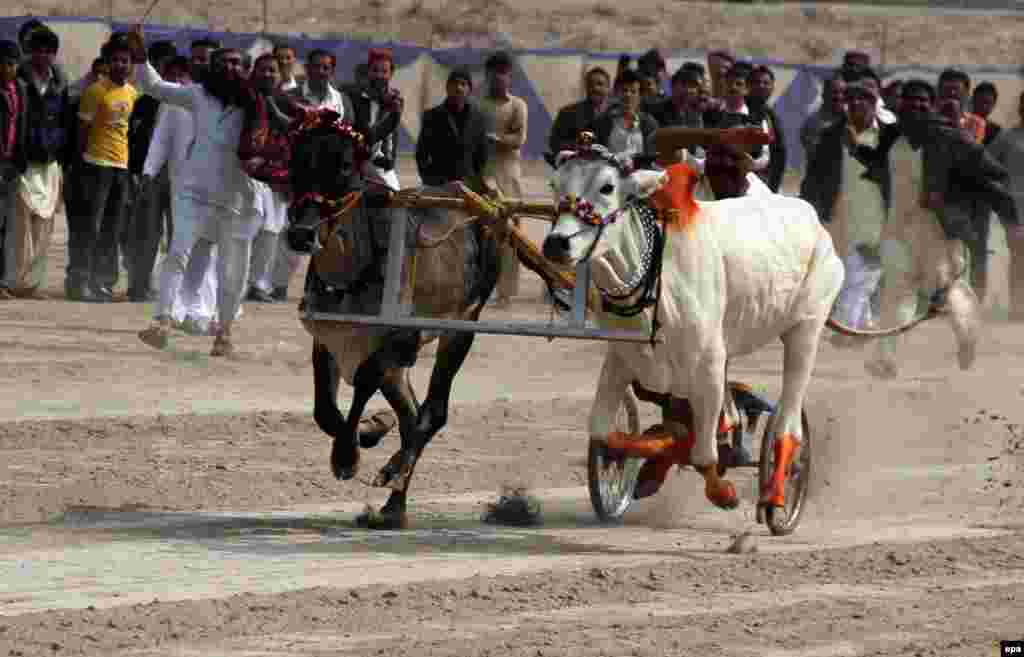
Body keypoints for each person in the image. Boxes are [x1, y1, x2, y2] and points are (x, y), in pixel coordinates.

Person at [856, 79, 1014, 378]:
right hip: (897, 231)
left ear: (931, 106)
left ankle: (968, 335)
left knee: (946, 291)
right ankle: (886, 358)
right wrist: (857, 151)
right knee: (897, 292)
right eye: (910, 100)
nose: (915, 106)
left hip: (938, 232)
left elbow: (991, 175)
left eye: (922, 101)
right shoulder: (891, 137)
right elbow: (877, 166)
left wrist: (954, 199)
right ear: (900, 105)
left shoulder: (950, 138)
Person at [129, 25, 261, 357]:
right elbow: (155, 86)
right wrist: (140, 55)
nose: (230, 68)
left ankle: (225, 332)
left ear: (245, 71)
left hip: (233, 200)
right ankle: (162, 321)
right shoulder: (197, 95)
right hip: (192, 192)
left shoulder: (256, 105)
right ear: (212, 68)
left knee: (229, 270)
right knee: (177, 253)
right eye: (224, 63)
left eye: (236, 64)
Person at [802, 78, 889, 334]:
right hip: (837, 216)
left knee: (862, 271)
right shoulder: (831, 135)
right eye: (852, 98)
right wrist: (811, 210)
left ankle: (848, 327)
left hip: (875, 217)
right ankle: (863, 322)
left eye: (864, 98)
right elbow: (814, 175)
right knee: (847, 273)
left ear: (875, 103)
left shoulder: (888, 136)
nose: (857, 103)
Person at [71, 33, 138, 303]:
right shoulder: (95, 91)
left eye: (126, 61)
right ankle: (81, 282)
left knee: (113, 228)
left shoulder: (133, 92)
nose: (121, 65)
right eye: (116, 61)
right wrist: (79, 167)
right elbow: (82, 131)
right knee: (91, 227)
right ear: (108, 63)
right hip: (96, 166)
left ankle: (104, 282)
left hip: (121, 166)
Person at [12, 26, 68, 299]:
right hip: (23, 162)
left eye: (48, 51)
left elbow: (65, 121)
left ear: (54, 54)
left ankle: (32, 284)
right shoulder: (18, 81)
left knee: (44, 228)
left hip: (49, 163)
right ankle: (13, 282)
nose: (43, 56)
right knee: (20, 226)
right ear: (29, 51)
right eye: (38, 50)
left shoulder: (60, 82)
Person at [479, 50, 527, 308]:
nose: (499, 78)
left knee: (510, 234)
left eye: (504, 73)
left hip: (509, 176)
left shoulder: (518, 105)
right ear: (487, 75)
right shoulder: (478, 104)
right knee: (482, 232)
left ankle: (506, 292)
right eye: (494, 73)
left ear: (510, 77)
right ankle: (481, 287)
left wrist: (496, 140)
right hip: (483, 175)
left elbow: (519, 139)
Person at [415, 68, 488, 188]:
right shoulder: (432, 116)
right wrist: (431, 181)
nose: (458, 88)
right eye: (454, 83)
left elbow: (482, 156)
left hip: (469, 187)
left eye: (463, 84)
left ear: (469, 89)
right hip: (439, 185)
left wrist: (474, 181)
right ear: (447, 87)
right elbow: (421, 154)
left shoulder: (478, 118)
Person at [0, 40, 28, 300]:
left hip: (11, 165)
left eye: (13, 63)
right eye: (6, 63)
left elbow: (22, 125)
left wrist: (20, 160)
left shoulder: (19, 89)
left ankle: (4, 281)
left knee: (9, 226)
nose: (10, 68)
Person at [589, 68, 657, 162]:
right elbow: (596, 154)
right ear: (616, 93)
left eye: (633, 91)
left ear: (640, 96)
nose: (628, 95)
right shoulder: (603, 122)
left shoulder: (649, 123)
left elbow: (653, 155)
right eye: (624, 90)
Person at [547, 66, 612, 155]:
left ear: (608, 88)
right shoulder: (568, 113)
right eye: (590, 84)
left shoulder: (616, 115)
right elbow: (554, 143)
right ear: (586, 87)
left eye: (600, 84)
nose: (595, 88)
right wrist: (578, 146)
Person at [747, 64, 786, 192]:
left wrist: (773, 187)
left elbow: (779, 154)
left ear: (772, 87)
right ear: (748, 85)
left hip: (765, 184)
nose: (761, 86)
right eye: (757, 82)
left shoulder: (772, 116)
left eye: (766, 83)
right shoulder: (740, 111)